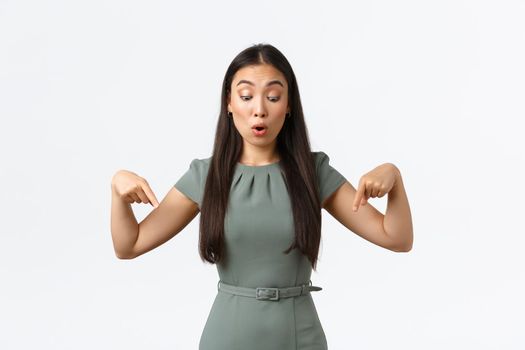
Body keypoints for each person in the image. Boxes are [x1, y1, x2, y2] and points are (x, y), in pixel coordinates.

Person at [110, 43, 413, 350]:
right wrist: (117, 190)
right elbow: (129, 245)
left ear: (289, 104)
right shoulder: (207, 176)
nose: (259, 109)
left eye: (273, 96)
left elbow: (396, 239)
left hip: (300, 338)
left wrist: (395, 179)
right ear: (229, 102)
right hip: (227, 338)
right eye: (246, 96)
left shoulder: (313, 172)